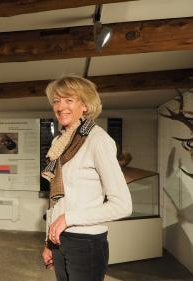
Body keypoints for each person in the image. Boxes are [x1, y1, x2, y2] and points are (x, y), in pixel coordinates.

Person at [40, 75, 132, 281]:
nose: (60, 106)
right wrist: (49, 241)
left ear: (85, 105)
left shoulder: (98, 140)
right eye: (56, 101)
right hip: (60, 240)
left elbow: (123, 205)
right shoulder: (60, 142)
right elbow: (57, 200)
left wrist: (68, 219)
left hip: (86, 243)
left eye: (69, 100)